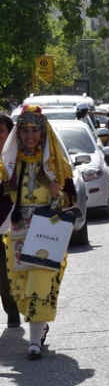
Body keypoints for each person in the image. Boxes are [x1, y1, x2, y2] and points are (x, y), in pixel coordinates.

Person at [0, 105, 77, 359]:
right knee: (20, 288)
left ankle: (33, 342)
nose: (29, 135)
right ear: (18, 133)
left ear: (43, 134)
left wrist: (59, 194)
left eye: (34, 130)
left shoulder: (55, 164)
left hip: (47, 229)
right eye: (24, 130)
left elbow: (71, 200)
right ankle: (39, 325)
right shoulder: (10, 164)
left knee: (40, 283)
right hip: (19, 230)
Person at [0, 113, 20, 326]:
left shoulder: (20, 160)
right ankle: (12, 311)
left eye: (1, 131)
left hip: (15, 225)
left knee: (11, 275)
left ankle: (18, 312)